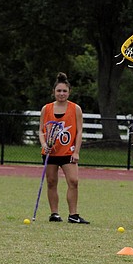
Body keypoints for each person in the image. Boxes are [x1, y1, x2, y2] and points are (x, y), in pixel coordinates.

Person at [40, 72, 89, 224]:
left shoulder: (75, 109)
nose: (61, 94)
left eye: (64, 91)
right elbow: (41, 130)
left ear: (69, 92)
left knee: (73, 181)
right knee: (51, 182)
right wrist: (44, 145)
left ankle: (73, 215)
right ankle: (54, 213)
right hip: (51, 152)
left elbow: (79, 131)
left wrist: (76, 151)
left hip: (68, 152)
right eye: (59, 91)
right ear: (54, 92)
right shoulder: (46, 109)